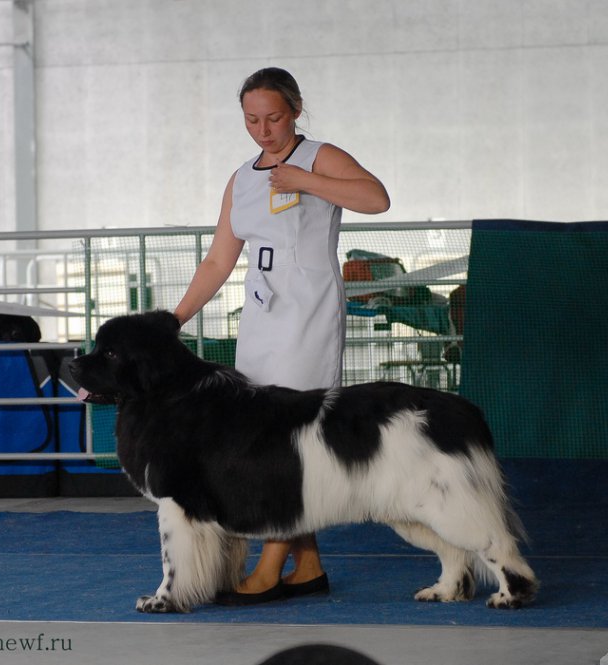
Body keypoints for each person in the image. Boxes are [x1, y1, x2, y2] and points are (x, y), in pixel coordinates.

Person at [173, 67, 390, 605]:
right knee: (260, 431)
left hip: (307, 311)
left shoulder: (319, 156)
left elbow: (376, 199)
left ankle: (270, 567)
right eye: (252, 120)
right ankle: (307, 565)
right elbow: (219, 260)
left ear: (295, 110)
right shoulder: (241, 177)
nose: (263, 130)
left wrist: (305, 180)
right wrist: (173, 320)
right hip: (260, 317)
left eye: (273, 118)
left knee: (289, 437)